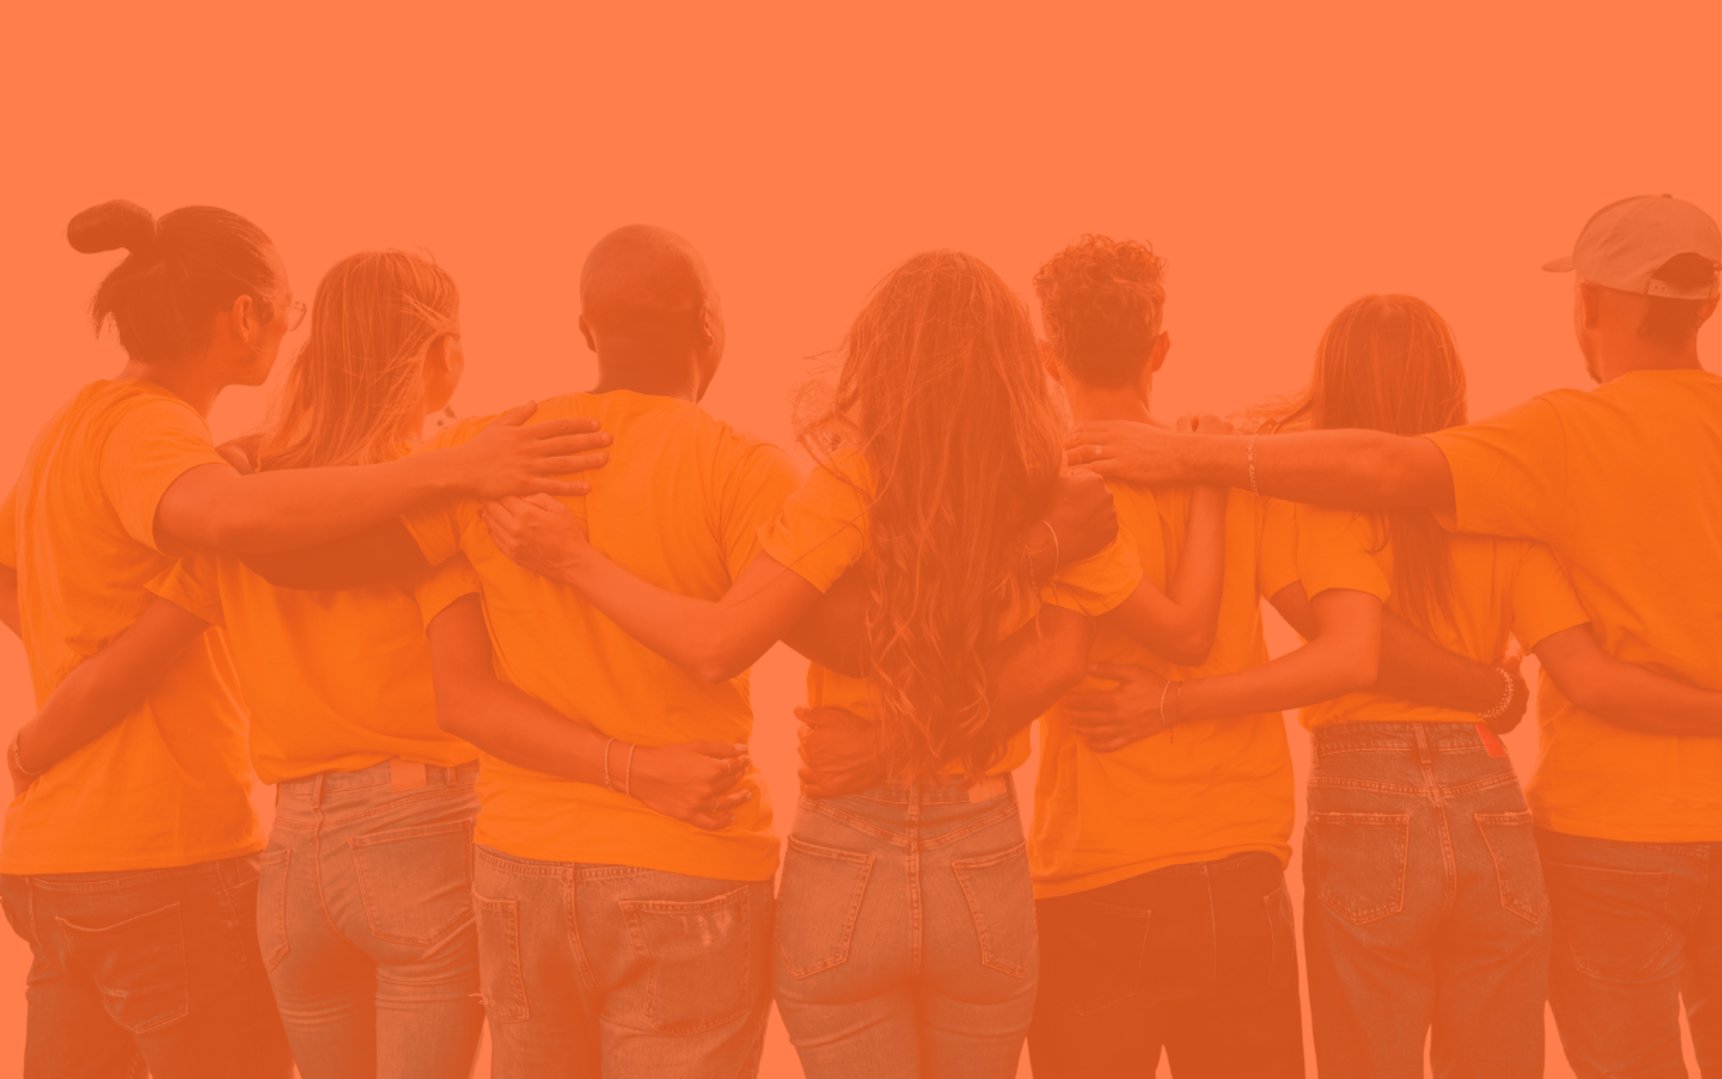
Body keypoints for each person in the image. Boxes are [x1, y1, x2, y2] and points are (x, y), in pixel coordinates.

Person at [1063, 196, 1722, 1077]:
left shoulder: (1557, 438)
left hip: (1593, 831)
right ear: (1707, 306)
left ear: (1592, 302)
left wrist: (1196, 454)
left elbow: (1386, 491)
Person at [476, 249, 1214, 1079]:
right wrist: (1032, 555)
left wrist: (573, 559)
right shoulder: (1059, 493)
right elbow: (1056, 665)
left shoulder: (848, 485)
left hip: (846, 852)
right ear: (1016, 363)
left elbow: (721, 642)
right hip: (982, 850)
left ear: (877, 360)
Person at [0, 202, 607, 1079]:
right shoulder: (167, 444)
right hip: (171, 851)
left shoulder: (78, 427)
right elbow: (236, 520)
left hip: (71, 859)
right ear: (243, 315)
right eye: (286, 305)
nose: (292, 329)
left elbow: (59, 583)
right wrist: (452, 465)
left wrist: (52, 681)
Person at [1021, 238, 1535, 1079]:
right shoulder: (1233, 475)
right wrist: (1492, 686)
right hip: (1239, 869)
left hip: (1092, 871)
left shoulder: (1044, 491)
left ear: (1046, 356)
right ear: (1161, 350)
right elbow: (1351, 644)